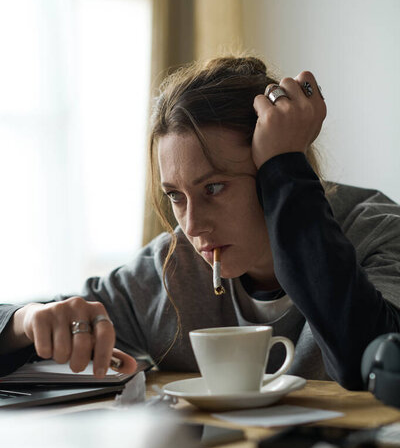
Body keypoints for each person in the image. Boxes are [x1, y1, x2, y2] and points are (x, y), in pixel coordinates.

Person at [1, 56, 400, 390]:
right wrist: (24, 322)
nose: (192, 225)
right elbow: (51, 325)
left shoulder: (377, 233)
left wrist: (286, 171)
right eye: (175, 195)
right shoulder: (170, 270)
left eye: (214, 188)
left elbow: (368, 361)